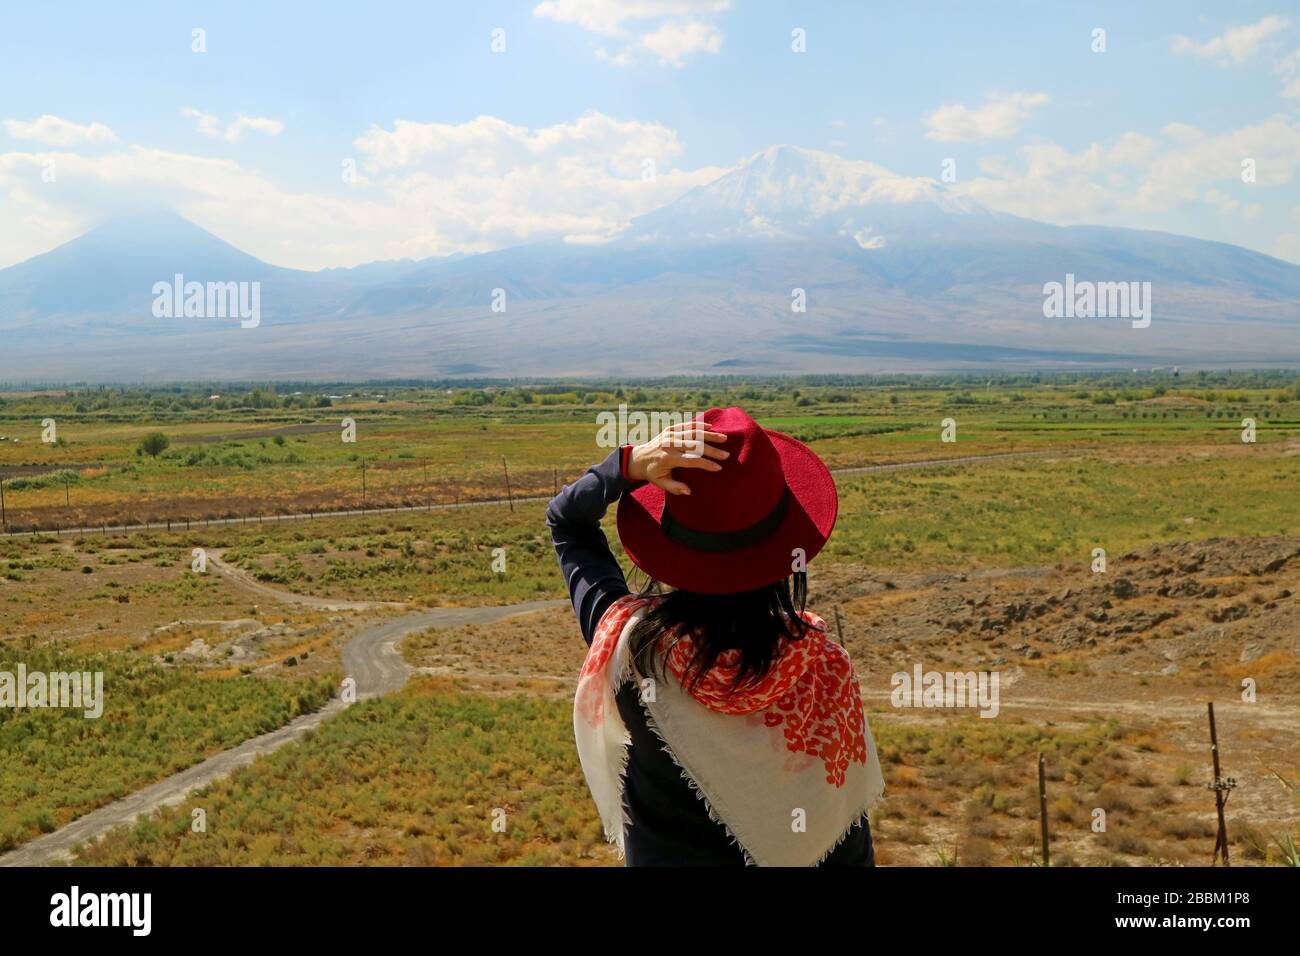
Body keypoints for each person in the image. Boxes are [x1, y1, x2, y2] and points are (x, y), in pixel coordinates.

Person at [547, 406, 884, 866]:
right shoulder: (825, 670)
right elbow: (846, 837)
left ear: (671, 546)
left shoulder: (630, 649)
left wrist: (627, 466)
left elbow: (567, 521)